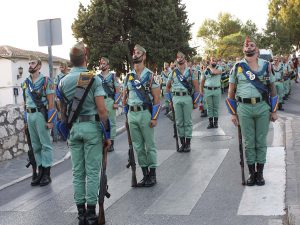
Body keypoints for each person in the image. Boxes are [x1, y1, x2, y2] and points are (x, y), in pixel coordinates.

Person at [57, 42, 111, 225]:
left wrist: (67, 131)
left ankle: (80, 215)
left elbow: (62, 111)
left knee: (77, 172)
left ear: (71, 61)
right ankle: (91, 213)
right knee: (93, 171)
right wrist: (108, 135)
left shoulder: (63, 81)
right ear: (85, 58)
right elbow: (102, 110)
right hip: (91, 129)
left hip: (74, 129)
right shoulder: (94, 79)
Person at [226, 36, 278, 186]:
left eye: (252, 45)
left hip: (262, 107)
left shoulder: (266, 66)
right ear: (243, 49)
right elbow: (231, 92)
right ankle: (251, 174)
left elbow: (273, 90)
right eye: (246, 46)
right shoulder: (237, 67)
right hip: (244, 108)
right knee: (249, 142)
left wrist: (274, 111)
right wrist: (233, 113)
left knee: (260, 141)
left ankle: (260, 174)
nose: (248, 47)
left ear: (257, 50)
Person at [122, 44, 161, 187]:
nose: (135, 54)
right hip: (132, 114)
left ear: (144, 56)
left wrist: (154, 117)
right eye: (134, 52)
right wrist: (126, 117)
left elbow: (157, 99)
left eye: (138, 53)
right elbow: (125, 98)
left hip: (145, 113)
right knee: (138, 146)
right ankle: (145, 175)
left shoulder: (151, 76)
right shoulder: (128, 76)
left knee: (149, 145)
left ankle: (153, 175)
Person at [21, 55, 56, 186]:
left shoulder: (46, 81)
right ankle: (40, 171)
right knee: (35, 146)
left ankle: (47, 174)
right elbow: (25, 102)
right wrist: (25, 120)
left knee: (45, 145)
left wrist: (50, 120)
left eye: (33, 63)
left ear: (39, 66)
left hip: (41, 115)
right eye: (29, 63)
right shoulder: (25, 82)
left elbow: (51, 102)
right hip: (30, 115)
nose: (30, 65)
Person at [165, 51, 200, 152]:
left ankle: (188, 144)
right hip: (176, 98)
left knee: (187, 121)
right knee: (179, 122)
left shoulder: (190, 71)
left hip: (187, 97)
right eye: (178, 57)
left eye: (181, 57)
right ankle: (182, 143)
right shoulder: (173, 72)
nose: (179, 59)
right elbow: (167, 88)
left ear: (184, 59)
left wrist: (196, 101)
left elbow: (197, 88)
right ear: (176, 59)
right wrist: (169, 101)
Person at [98, 57, 121, 152]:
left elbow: (118, 91)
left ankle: (111, 143)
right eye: (101, 63)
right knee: (101, 122)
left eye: (104, 63)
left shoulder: (112, 77)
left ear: (108, 66)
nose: (101, 64)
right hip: (100, 101)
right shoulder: (97, 77)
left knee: (111, 122)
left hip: (110, 101)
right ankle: (104, 141)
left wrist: (116, 102)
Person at [200, 57, 223, 129]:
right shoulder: (205, 70)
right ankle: (210, 123)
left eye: (215, 60)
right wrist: (201, 91)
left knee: (216, 107)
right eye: (212, 60)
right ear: (210, 61)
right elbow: (202, 81)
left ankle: (216, 123)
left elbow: (214, 72)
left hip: (216, 90)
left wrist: (209, 67)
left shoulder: (219, 68)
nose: (214, 61)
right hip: (207, 90)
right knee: (209, 107)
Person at [53, 61, 69, 142]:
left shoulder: (69, 75)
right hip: (62, 100)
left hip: (70, 99)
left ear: (66, 67)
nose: (60, 68)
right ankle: (65, 136)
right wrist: (57, 99)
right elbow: (56, 88)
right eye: (60, 67)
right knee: (62, 118)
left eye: (62, 67)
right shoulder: (58, 77)